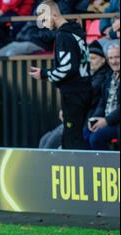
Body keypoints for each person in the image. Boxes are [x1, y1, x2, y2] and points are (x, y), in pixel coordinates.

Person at [29, 0, 92, 150]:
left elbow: (67, 68)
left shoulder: (63, 36)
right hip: (84, 90)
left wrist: (44, 74)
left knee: (72, 140)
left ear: (54, 13)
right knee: (75, 135)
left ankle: (76, 172)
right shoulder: (76, 31)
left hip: (74, 94)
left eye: (44, 18)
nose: (43, 23)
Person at [83, 44, 120, 150]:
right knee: (85, 134)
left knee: (95, 138)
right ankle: (89, 166)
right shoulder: (109, 78)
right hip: (107, 120)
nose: (114, 61)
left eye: (117, 57)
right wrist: (94, 119)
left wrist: (106, 120)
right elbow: (102, 103)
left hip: (116, 123)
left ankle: (110, 165)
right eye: (111, 58)